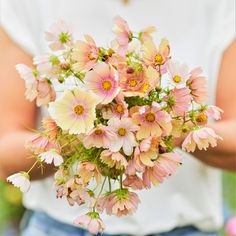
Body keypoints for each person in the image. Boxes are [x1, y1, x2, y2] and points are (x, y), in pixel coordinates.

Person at [0, 0, 235, 235]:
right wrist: (79, 135)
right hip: (61, 228)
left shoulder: (220, 6)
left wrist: (169, 129)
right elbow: (5, 150)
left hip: (186, 229)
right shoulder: (28, 4)